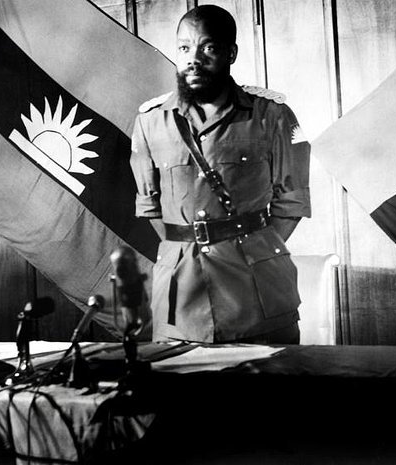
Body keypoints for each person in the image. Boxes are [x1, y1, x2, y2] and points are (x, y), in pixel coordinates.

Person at [130, 5, 310, 344]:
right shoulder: (150, 122)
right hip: (179, 299)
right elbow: (151, 208)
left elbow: (291, 204)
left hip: (256, 295)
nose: (193, 59)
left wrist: (249, 249)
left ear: (231, 53)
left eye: (208, 47)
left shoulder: (273, 116)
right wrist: (188, 246)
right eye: (184, 48)